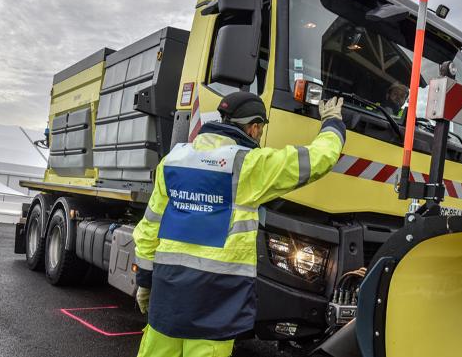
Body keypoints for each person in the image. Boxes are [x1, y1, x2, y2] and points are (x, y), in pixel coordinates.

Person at [132, 92, 346, 357]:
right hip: (215, 300)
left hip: (168, 293)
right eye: (260, 130)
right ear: (254, 127)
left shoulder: (174, 160)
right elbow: (317, 159)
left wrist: (144, 281)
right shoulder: (248, 165)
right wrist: (333, 122)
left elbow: (149, 227)